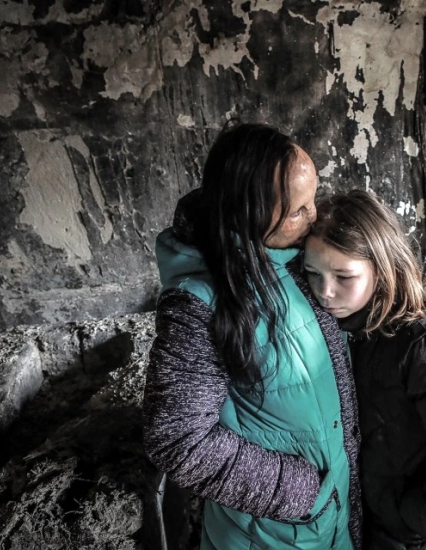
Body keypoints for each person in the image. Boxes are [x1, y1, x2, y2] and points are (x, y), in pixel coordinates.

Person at [142, 122, 361, 550]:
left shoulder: (294, 259)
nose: (315, 216)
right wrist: (301, 493)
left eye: (312, 199)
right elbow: (176, 437)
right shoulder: (198, 304)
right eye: (298, 210)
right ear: (249, 215)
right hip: (274, 533)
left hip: (330, 519)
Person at [303, 189, 426, 550]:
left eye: (343, 277)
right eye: (312, 273)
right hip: (380, 521)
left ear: (382, 269)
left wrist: (410, 522)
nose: (325, 292)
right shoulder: (348, 329)